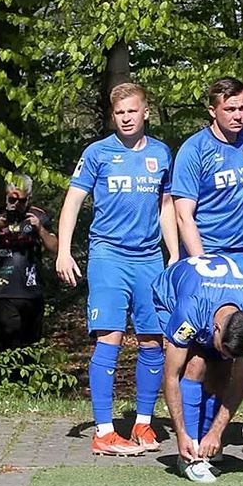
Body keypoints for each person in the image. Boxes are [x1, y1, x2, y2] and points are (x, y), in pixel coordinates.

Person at [57, 82, 178, 456]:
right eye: (119, 113)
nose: (126, 118)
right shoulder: (97, 153)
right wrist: (63, 251)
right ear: (113, 116)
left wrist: (174, 254)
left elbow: (166, 207)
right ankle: (105, 430)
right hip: (108, 257)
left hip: (149, 261)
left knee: (152, 341)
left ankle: (143, 423)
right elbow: (73, 201)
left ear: (145, 112)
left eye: (132, 111)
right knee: (108, 338)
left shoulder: (161, 153)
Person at [154, 254, 243, 483]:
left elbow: (240, 381)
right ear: (217, 328)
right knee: (196, 364)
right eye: (223, 348)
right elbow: (170, 376)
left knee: (222, 372)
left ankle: (206, 441)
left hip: (214, 298)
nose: (224, 355)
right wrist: (180, 434)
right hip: (171, 293)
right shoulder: (190, 310)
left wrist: (216, 432)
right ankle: (190, 453)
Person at [172, 77, 243, 290]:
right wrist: (204, 266)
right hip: (213, 255)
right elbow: (184, 216)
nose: (238, 116)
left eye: (242, 108)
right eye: (230, 109)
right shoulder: (194, 150)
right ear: (213, 111)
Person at [0, 174, 58, 350]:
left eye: (22, 201)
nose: (16, 205)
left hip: (32, 292)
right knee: (10, 343)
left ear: (29, 198)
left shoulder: (39, 216)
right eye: (12, 200)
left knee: (30, 347)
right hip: (2, 291)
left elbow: (56, 248)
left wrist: (40, 229)